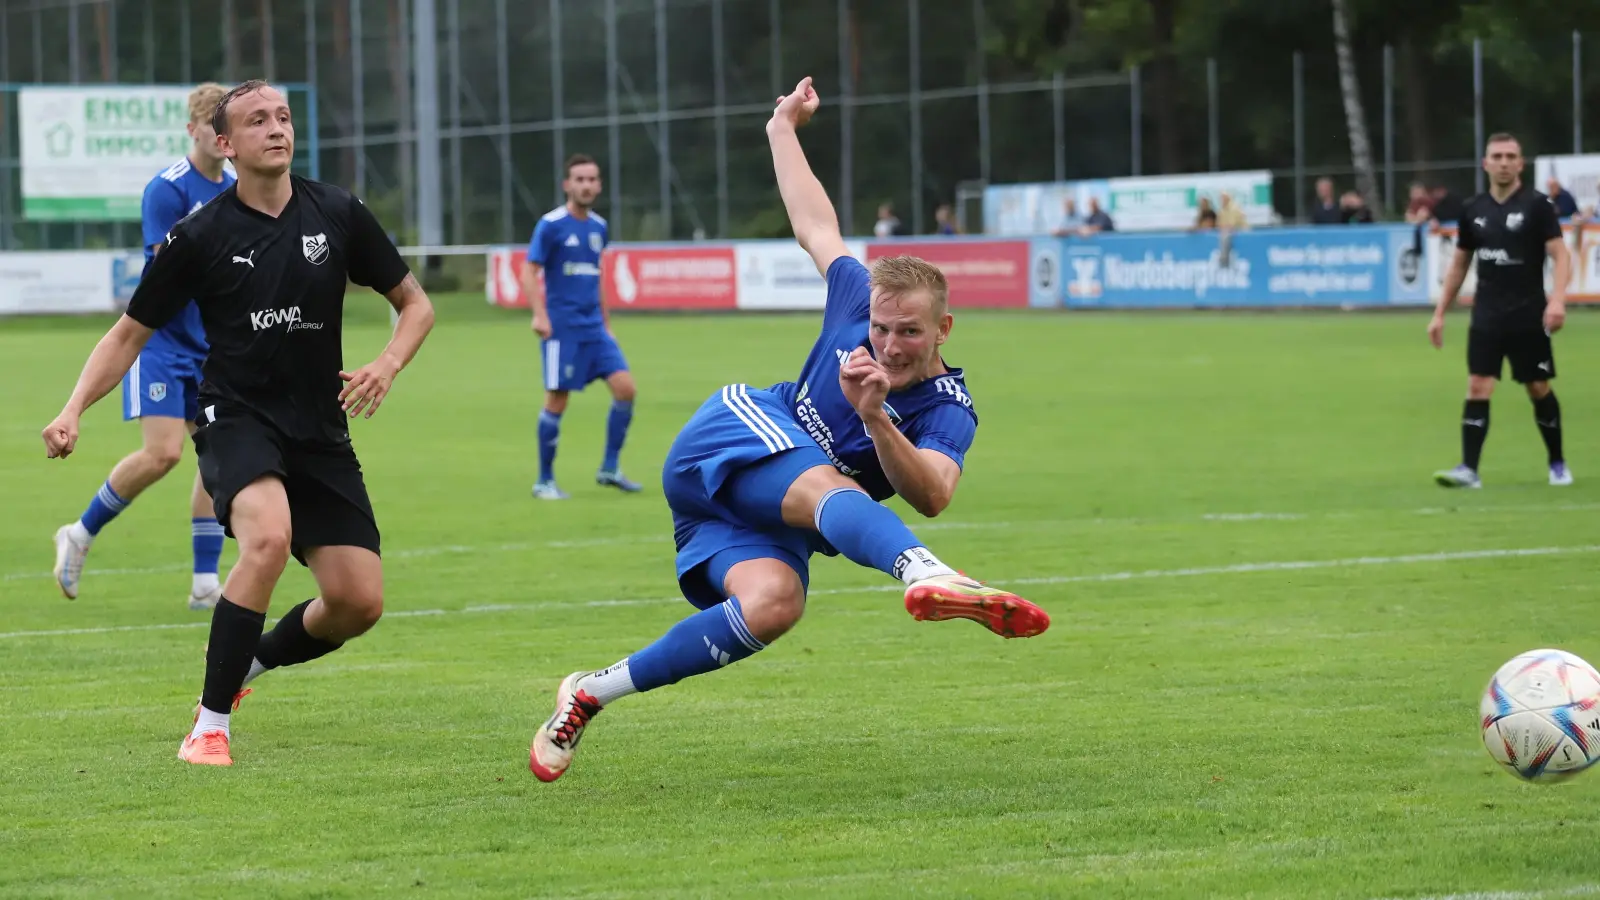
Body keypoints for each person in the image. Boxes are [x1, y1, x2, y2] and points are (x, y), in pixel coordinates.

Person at [527, 76, 1050, 783]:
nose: (890, 345)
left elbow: (932, 493)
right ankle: (927, 572)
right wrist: (782, 128)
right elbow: (816, 224)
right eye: (880, 327)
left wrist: (875, 418)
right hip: (735, 436)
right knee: (823, 479)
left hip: (767, 518)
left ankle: (589, 693)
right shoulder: (853, 295)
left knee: (775, 606)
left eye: (909, 333)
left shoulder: (948, 407)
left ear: (943, 330)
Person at [40, 80, 436, 766]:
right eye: (258, 121)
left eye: (282, 118)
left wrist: (388, 364)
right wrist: (73, 408)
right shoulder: (199, 234)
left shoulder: (337, 213)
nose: (276, 129)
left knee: (356, 603)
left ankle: (248, 659)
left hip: (320, 426)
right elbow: (128, 336)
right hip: (236, 417)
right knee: (268, 542)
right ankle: (208, 728)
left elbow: (415, 303)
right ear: (226, 144)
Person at [51, 83, 235, 611]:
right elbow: (167, 272)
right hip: (161, 344)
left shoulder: (237, 186)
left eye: (224, 130)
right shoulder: (168, 190)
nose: (218, 139)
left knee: (216, 456)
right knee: (164, 454)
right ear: (192, 130)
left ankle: (204, 583)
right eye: (209, 128)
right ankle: (80, 533)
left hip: (213, 348)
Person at [1428, 133, 1571, 489]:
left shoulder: (1538, 206)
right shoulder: (1472, 210)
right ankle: (1469, 469)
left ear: (1521, 164)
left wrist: (1557, 300)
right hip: (1487, 316)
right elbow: (1459, 265)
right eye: (1497, 156)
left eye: (1511, 156)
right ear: (1485, 163)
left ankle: (1557, 463)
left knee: (1537, 387)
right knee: (1477, 385)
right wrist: (1439, 312)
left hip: (1528, 315)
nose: (1504, 162)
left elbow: (1561, 254)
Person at [522, 154, 640, 499]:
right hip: (563, 329)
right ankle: (544, 480)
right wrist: (539, 315)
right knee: (557, 399)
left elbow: (598, 276)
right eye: (580, 179)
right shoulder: (551, 225)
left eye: (592, 179)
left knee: (626, 389)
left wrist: (606, 322)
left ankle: (609, 468)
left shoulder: (598, 227)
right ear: (567, 185)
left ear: (599, 185)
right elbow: (529, 271)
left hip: (595, 329)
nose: (586, 185)